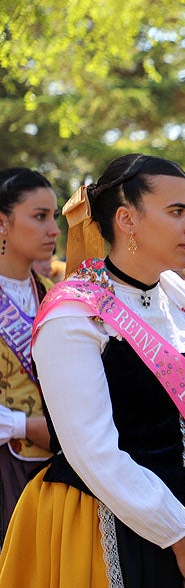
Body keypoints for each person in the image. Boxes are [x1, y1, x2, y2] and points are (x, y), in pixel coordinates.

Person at [0, 154, 185, 588]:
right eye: (178, 211)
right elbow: (91, 447)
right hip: (122, 530)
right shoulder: (74, 316)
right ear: (127, 218)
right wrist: (180, 538)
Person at [0, 168, 57, 545]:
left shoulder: (55, 295)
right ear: (2, 223)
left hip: (55, 468)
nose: (53, 229)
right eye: (40, 216)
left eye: (54, 217)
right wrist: (21, 426)